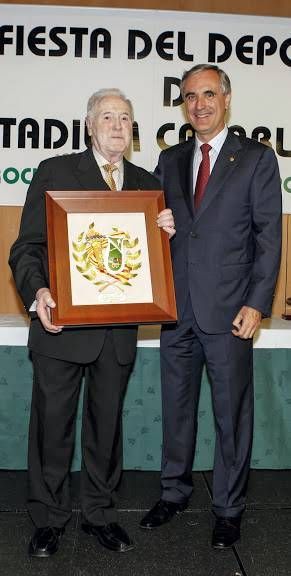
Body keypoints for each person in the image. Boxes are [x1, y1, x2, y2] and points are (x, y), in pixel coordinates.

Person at [9, 88, 175, 557]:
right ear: (89, 124)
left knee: (106, 429)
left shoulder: (147, 185)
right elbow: (26, 248)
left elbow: (156, 268)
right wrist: (39, 292)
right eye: (107, 116)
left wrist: (168, 236)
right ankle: (48, 518)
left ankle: (99, 515)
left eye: (125, 118)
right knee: (52, 426)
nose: (118, 126)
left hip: (116, 334)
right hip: (60, 326)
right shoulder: (55, 171)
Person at [140, 64, 282, 548]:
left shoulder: (258, 159)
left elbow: (269, 240)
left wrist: (256, 304)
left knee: (231, 415)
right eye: (189, 97)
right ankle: (173, 493)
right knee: (175, 410)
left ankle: (228, 509)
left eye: (207, 94)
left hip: (229, 314)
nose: (198, 104)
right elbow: (157, 227)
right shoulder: (171, 159)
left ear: (226, 99)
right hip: (176, 310)